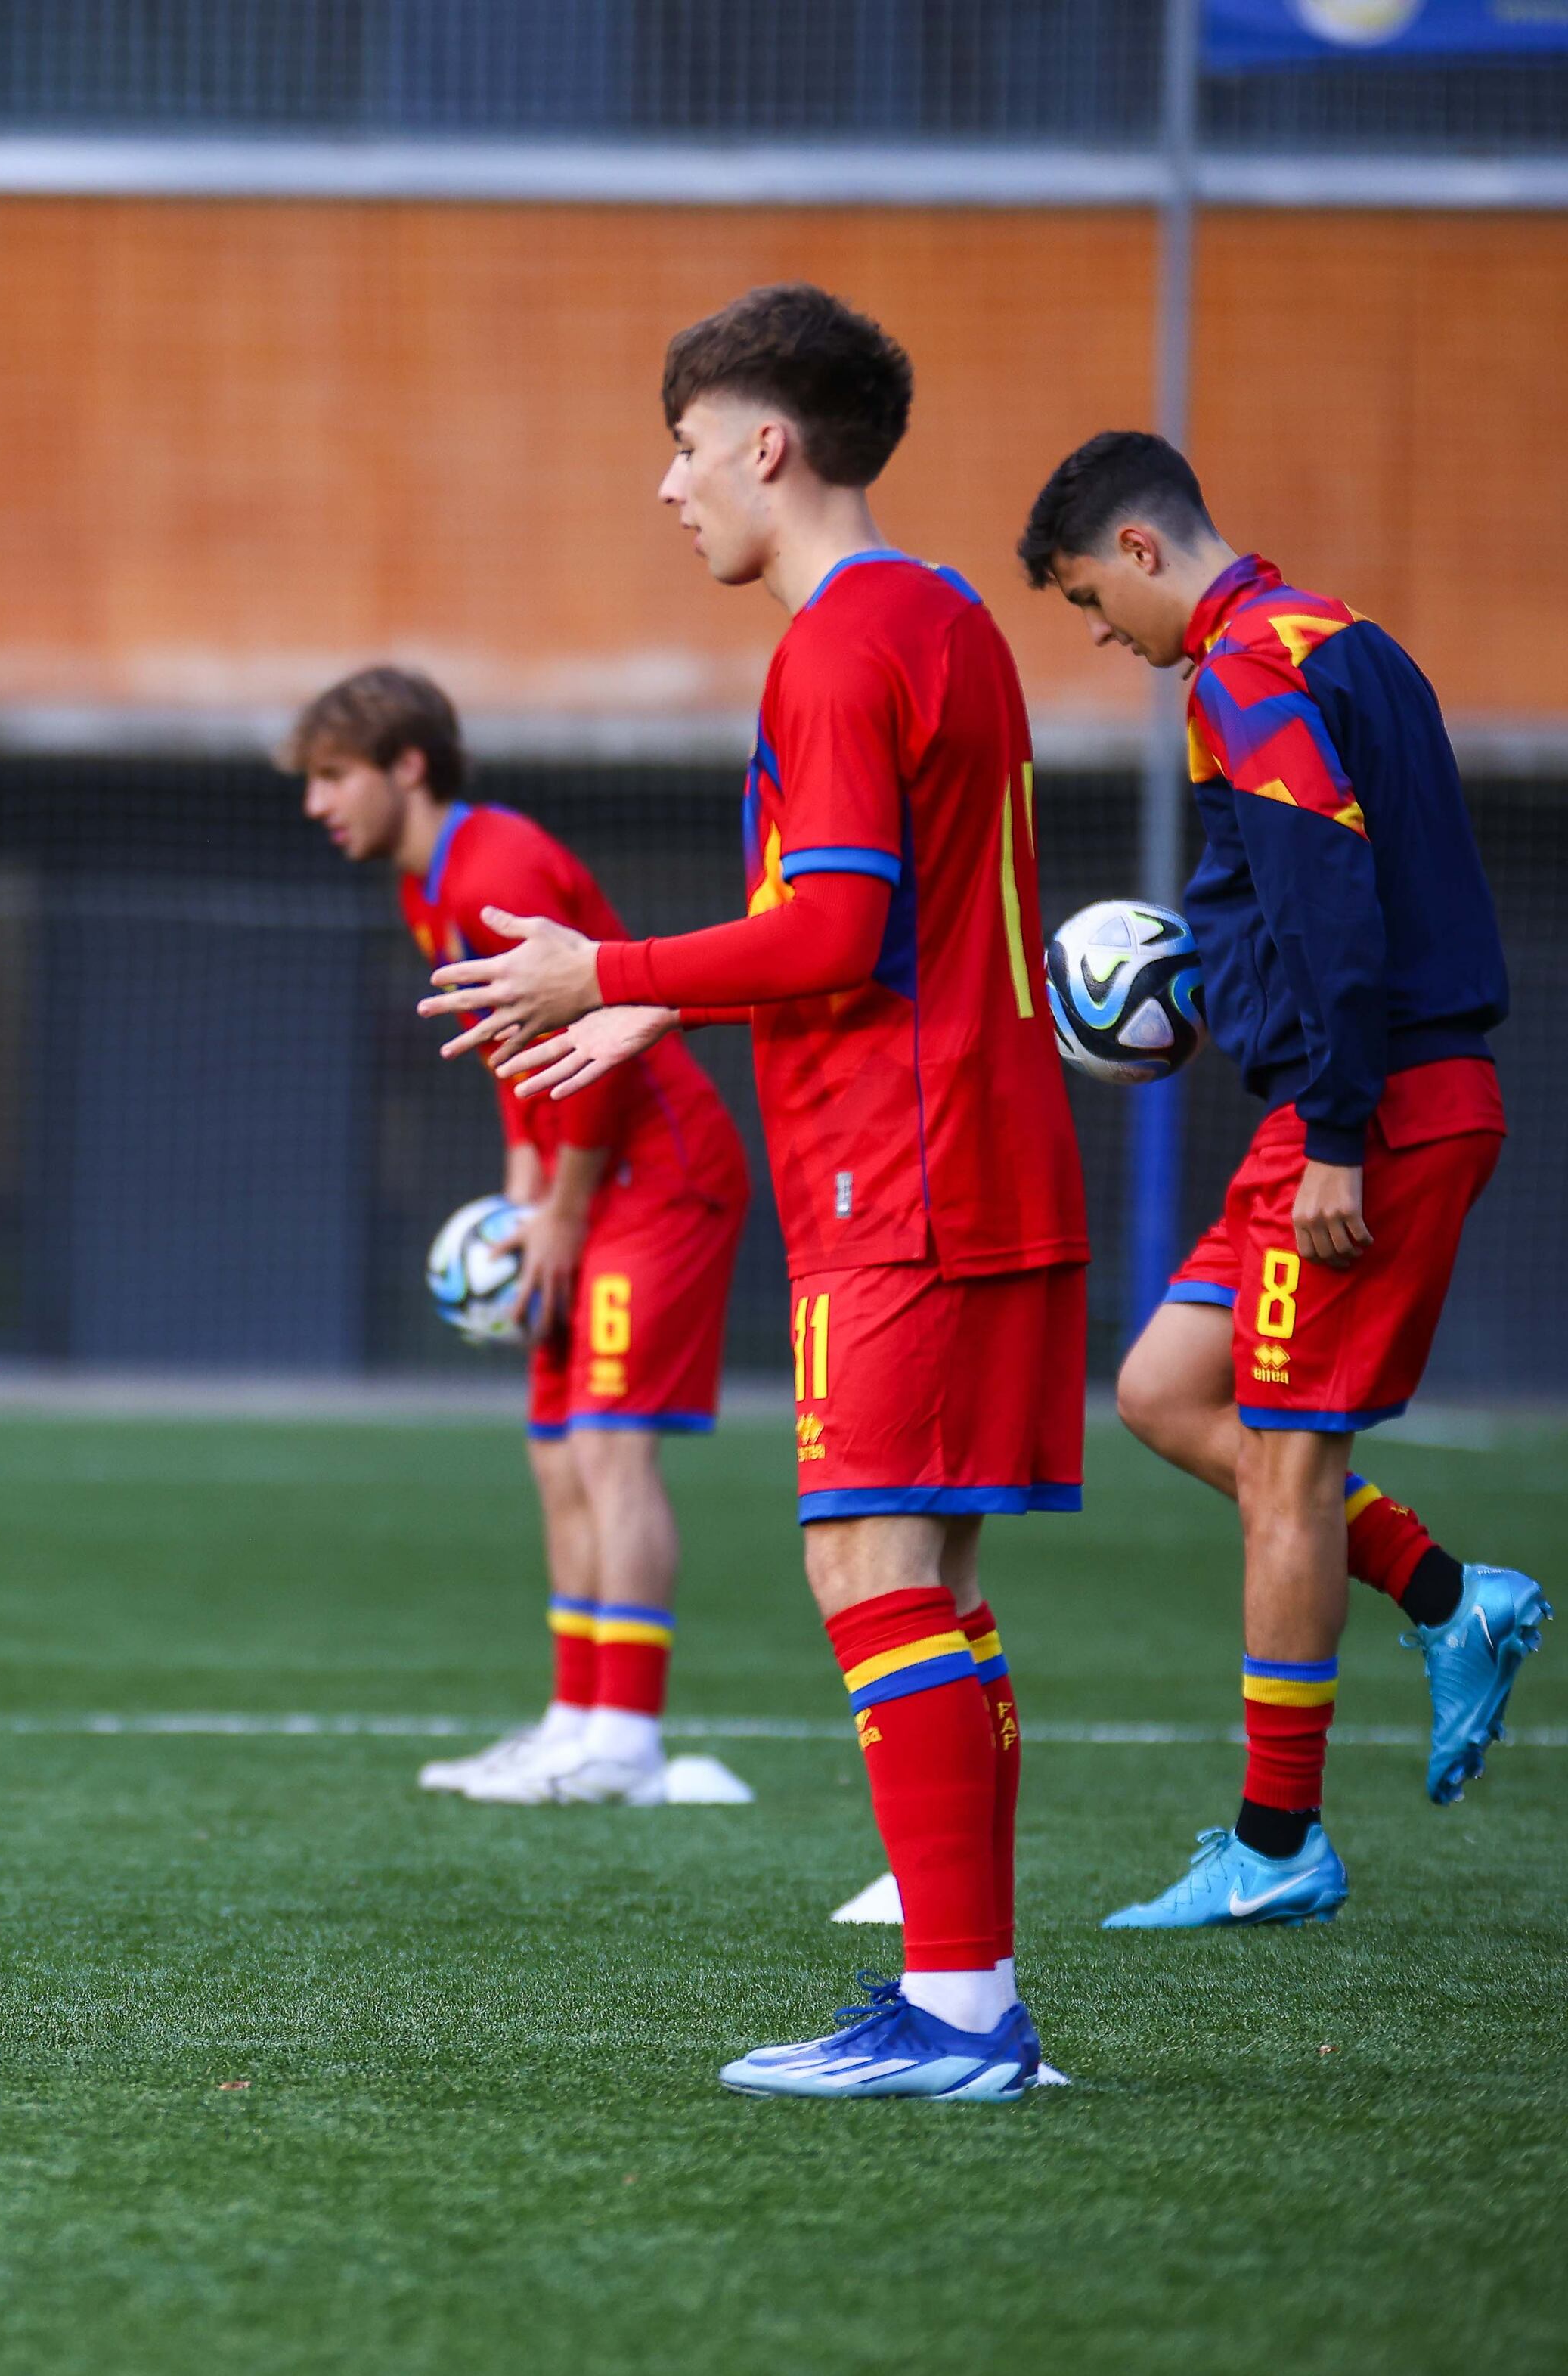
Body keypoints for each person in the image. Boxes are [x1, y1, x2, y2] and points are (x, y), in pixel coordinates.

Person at [427, 284, 1081, 2102]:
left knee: (864, 1559)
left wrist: (605, 974)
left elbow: (837, 927)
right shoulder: (946, 617)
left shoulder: (839, 640)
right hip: (957, 1144)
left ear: (766, 446)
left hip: (909, 1165)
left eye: (685, 444)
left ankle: (960, 2017)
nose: (669, 485)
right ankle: (962, 1993)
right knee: (928, 1579)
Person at [1018, 430, 1542, 1927]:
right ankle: (1451, 1598)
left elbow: (1326, 887)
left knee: (1289, 1472)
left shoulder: (1241, 667)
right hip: (1340, 1099)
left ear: (1134, 549)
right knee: (1164, 1391)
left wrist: (1331, 1121)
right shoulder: (1343, 636)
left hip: (1367, 1114)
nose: (1103, 638)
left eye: (1083, 602)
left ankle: (1275, 1843)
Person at [289, 668, 752, 1804]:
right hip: (585, 1182)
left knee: (607, 1448)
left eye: (332, 776)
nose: (315, 803)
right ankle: (573, 1720)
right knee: (554, 1450)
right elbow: (509, 1050)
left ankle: (628, 1742)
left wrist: (564, 1203)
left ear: (407, 766)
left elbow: (589, 1034)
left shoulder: (496, 869)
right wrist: (520, 1191)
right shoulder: (424, 884)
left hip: (659, 1176)